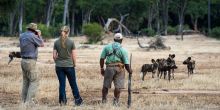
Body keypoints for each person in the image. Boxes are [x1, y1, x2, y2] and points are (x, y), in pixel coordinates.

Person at [53, 26, 83, 106]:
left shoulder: (56, 42)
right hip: (69, 66)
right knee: (73, 83)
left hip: (59, 66)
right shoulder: (71, 42)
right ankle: (78, 101)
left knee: (62, 84)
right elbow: (74, 55)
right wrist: (74, 64)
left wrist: (58, 62)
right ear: (68, 32)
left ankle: (62, 102)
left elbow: (54, 56)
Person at [100, 33, 132, 105]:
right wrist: (130, 71)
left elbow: (102, 59)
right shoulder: (123, 50)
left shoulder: (107, 47)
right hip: (119, 69)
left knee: (106, 85)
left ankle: (104, 101)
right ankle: (115, 102)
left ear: (114, 39)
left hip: (109, 68)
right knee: (118, 86)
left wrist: (102, 68)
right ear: (121, 40)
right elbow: (126, 64)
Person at [19, 23, 44, 105]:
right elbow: (41, 44)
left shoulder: (21, 35)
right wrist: (39, 35)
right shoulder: (33, 36)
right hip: (31, 61)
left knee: (26, 81)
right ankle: (29, 102)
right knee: (34, 80)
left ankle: (23, 101)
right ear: (34, 30)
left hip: (23, 61)